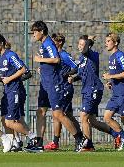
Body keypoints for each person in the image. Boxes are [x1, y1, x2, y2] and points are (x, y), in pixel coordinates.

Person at [31, 21, 85, 152]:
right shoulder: (44, 45)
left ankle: (79, 139)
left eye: (35, 32)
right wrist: (42, 68)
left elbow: (56, 59)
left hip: (53, 84)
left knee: (59, 114)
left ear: (41, 31)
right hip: (45, 84)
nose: (33, 35)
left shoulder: (49, 43)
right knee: (40, 112)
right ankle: (38, 143)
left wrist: (40, 60)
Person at [68, 35, 119, 151]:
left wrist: (89, 40)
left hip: (93, 90)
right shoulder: (82, 58)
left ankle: (88, 145)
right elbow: (81, 74)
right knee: (93, 121)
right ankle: (117, 135)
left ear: (88, 46)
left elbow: (87, 47)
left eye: (83, 45)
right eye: (79, 44)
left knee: (83, 116)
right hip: (87, 91)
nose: (80, 47)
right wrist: (73, 78)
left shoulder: (92, 55)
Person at [0, 33, 36, 152]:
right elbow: (3, 77)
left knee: (10, 122)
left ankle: (33, 138)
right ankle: (13, 142)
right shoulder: (0, 58)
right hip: (8, 91)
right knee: (5, 119)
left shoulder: (10, 55)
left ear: (1, 43)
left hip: (15, 90)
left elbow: (23, 70)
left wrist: (10, 79)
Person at [43, 33, 82, 151]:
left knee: (58, 114)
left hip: (64, 88)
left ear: (59, 42)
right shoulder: (54, 55)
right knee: (65, 115)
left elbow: (77, 67)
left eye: (54, 42)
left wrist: (67, 74)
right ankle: (80, 138)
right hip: (58, 87)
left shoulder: (64, 55)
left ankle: (79, 139)